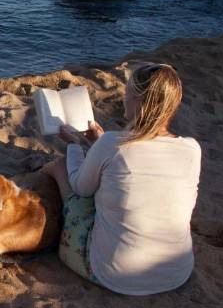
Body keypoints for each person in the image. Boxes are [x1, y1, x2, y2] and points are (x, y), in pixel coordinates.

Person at [41, 62, 202, 295]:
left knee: (59, 169)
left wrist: (75, 146)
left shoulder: (112, 144)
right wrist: (99, 143)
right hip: (177, 272)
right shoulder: (192, 149)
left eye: (127, 93)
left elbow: (81, 188)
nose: (123, 98)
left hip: (115, 274)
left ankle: (41, 175)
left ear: (138, 101)